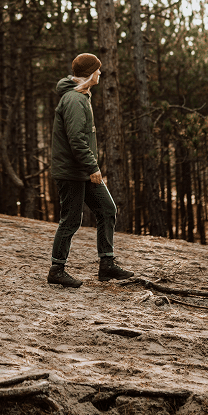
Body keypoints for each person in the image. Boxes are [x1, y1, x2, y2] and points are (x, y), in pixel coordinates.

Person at [48, 53, 134, 288]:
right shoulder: (74, 100)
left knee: (107, 209)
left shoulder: (82, 95)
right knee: (71, 220)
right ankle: (57, 269)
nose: (100, 73)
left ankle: (107, 265)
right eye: (98, 69)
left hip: (82, 170)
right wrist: (92, 166)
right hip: (72, 171)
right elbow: (76, 140)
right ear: (89, 73)